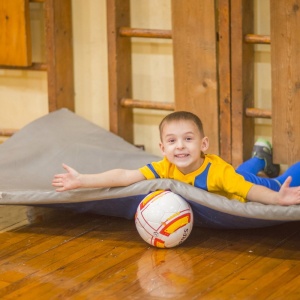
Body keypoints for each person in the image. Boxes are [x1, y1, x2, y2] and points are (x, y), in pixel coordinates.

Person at [52, 111, 300, 206]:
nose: (180, 146)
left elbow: (251, 192)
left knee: (276, 183)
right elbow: (126, 176)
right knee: (238, 172)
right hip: (233, 176)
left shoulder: (217, 172)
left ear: (204, 144)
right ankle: (260, 158)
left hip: (237, 181)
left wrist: (277, 199)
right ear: (162, 148)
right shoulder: (165, 166)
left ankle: (262, 162)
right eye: (172, 141)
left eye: (188, 139)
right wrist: (81, 180)